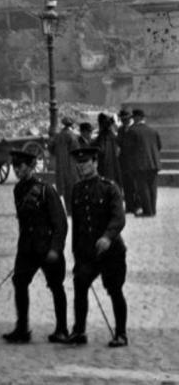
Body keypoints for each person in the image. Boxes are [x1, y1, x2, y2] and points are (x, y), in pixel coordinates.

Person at [1, 147, 69, 344]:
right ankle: (22, 329)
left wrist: (56, 249)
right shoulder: (18, 189)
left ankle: (62, 329)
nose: (16, 170)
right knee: (19, 282)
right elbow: (23, 222)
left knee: (56, 287)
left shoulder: (47, 190)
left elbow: (60, 223)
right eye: (14, 166)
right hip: (27, 249)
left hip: (47, 247)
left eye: (20, 166)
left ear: (31, 167)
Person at [65, 145, 128, 347]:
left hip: (111, 252)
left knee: (115, 290)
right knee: (80, 285)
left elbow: (119, 218)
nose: (81, 166)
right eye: (79, 163)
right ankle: (79, 331)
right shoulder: (76, 190)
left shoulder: (110, 188)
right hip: (88, 253)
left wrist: (107, 237)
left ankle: (121, 333)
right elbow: (77, 226)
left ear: (95, 163)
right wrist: (76, 254)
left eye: (86, 162)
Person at [127, 109, 162, 217]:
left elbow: (129, 149)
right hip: (154, 163)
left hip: (140, 164)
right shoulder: (153, 130)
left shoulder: (132, 131)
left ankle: (147, 211)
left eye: (133, 118)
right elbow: (159, 146)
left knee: (143, 188)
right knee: (153, 188)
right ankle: (153, 210)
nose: (132, 120)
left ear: (137, 118)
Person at [51, 117, 81, 215]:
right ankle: (72, 209)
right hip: (70, 164)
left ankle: (68, 209)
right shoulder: (72, 136)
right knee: (72, 186)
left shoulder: (58, 136)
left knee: (64, 187)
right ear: (71, 125)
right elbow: (77, 151)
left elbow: (51, 148)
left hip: (60, 165)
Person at [117, 109, 138, 212]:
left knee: (135, 185)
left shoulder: (135, 129)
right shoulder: (120, 130)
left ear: (130, 118)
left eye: (126, 119)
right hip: (124, 162)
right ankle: (129, 206)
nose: (124, 121)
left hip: (134, 162)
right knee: (126, 185)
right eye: (122, 119)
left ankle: (137, 205)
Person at [95, 113, 122, 187]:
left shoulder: (102, 137)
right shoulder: (113, 136)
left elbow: (101, 150)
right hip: (114, 166)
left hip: (105, 167)